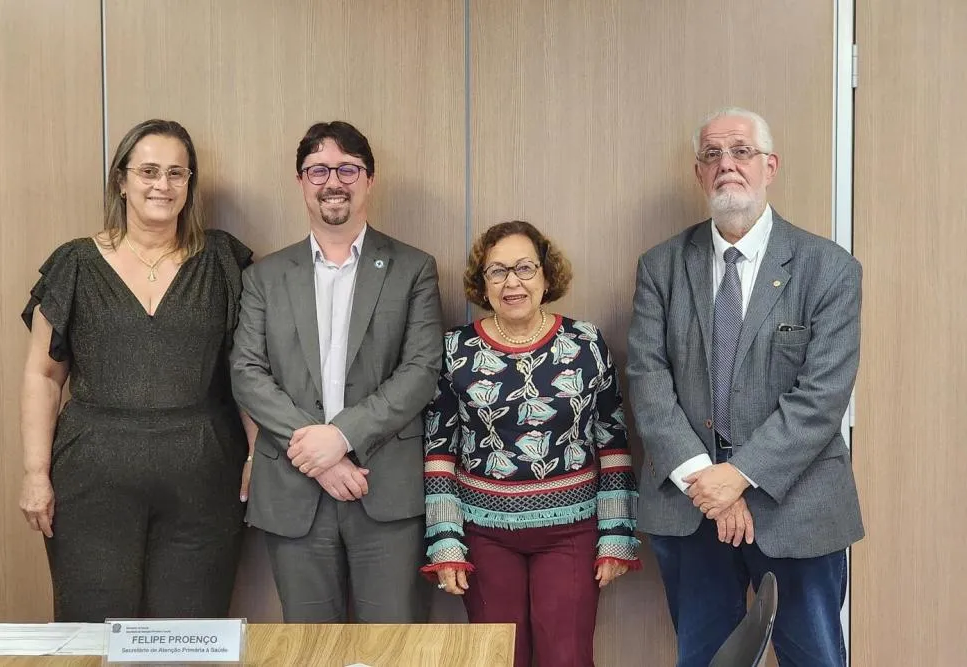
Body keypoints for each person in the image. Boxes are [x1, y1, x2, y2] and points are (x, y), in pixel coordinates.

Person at [626, 107, 863, 667]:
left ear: (770, 165)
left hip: (798, 505)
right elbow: (647, 377)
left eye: (741, 151)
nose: (726, 165)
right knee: (705, 659)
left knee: (815, 658)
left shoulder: (828, 268)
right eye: (712, 154)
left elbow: (822, 397)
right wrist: (703, 479)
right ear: (698, 173)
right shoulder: (661, 266)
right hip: (691, 504)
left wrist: (739, 476)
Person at [18, 119, 256, 622]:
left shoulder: (222, 261)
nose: (161, 185)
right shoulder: (75, 264)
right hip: (91, 482)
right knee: (92, 632)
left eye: (176, 173)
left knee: (191, 639)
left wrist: (259, 455)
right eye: (148, 171)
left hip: (205, 479)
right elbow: (43, 376)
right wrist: (35, 473)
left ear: (190, 185)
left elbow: (248, 371)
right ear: (121, 181)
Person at [230, 121, 444, 623]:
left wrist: (342, 437)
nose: (333, 181)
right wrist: (321, 456)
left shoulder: (413, 267)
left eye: (348, 168)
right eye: (319, 169)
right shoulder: (264, 276)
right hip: (292, 487)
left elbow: (421, 370)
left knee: (392, 649)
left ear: (369, 179)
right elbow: (246, 371)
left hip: (383, 487)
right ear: (301, 181)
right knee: (308, 649)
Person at [424, 221, 640, 667]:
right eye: (497, 271)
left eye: (525, 267)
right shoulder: (455, 349)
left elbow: (613, 441)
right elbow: (440, 449)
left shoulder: (585, 344)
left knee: (567, 657)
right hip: (484, 536)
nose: (512, 282)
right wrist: (445, 539)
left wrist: (616, 533)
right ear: (482, 283)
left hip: (572, 534)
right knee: (500, 659)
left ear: (546, 275)